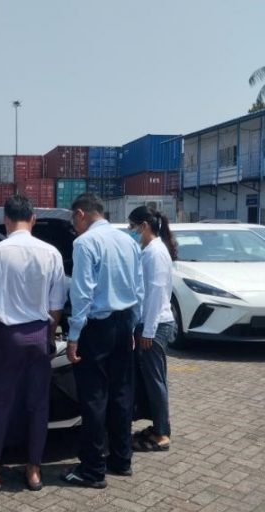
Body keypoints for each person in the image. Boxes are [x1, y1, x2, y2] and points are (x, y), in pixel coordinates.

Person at [0, 195, 66, 492]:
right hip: (38, 335)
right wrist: (49, 336)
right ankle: (34, 471)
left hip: (7, 337)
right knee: (38, 404)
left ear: (5, 220)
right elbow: (57, 304)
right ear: (33, 219)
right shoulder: (51, 253)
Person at [61, 194, 143, 489]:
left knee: (94, 397)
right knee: (121, 393)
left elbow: (82, 293)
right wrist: (133, 326)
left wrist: (73, 336)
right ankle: (121, 459)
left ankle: (92, 469)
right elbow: (139, 288)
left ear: (81, 214)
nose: (73, 226)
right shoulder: (128, 241)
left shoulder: (85, 243)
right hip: (124, 322)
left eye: (73, 219)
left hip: (97, 328)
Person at [128, 206, 176, 452]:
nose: (131, 231)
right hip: (150, 323)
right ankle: (159, 426)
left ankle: (162, 434)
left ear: (144, 226)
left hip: (154, 326)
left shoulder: (155, 252)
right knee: (151, 379)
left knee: (155, 380)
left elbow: (156, 293)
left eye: (132, 226)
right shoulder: (150, 250)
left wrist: (148, 330)